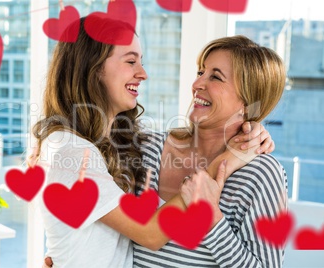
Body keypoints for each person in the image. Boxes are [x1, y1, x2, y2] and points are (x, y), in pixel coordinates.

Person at [36, 16, 275, 268]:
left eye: (215, 77)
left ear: (248, 102)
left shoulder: (120, 145)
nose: (143, 74)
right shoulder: (127, 150)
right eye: (130, 61)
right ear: (91, 69)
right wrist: (224, 163)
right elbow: (149, 234)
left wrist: (251, 130)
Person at [133, 35, 288, 268]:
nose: (197, 84)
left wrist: (212, 218)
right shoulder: (148, 148)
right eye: (200, 73)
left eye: (215, 77)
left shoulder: (261, 174)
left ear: (248, 102)